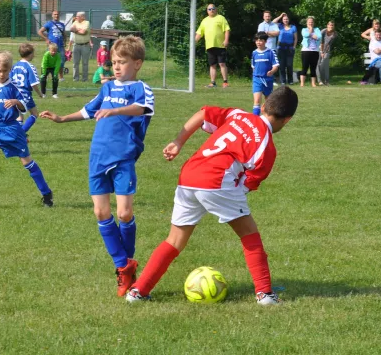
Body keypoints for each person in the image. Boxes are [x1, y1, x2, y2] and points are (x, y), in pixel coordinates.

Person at [125, 86, 299, 306]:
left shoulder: (238, 115)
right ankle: (265, 294)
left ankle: (138, 291)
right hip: (216, 180)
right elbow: (246, 184)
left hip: (189, 175)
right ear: (288, 119)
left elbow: (203, 114)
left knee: (174, 240)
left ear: (263, 106)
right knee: (249, 235)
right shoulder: (267, 148)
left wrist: (178, 142)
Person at [40, 36, 154, 297]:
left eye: (122, 62)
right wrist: (62, 118)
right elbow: (89, 110)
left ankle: (128, 261)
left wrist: (115, 111)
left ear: (137, 64)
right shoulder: (107, 88)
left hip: (123, 157)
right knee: (101, 213)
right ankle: (122, 268)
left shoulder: (140, 88)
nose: (116, 67)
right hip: (97, 157)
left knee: (124, 213)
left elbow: (142, 108)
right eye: (114, 62)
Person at [0, 50, 53, 209]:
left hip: (12, 131)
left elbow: (24, 108)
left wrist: (16, 101)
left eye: (5, 71)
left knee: (27, 163)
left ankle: (46, 193)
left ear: (10, 70)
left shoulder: (14, 87)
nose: (1, 74)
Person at [195, 3, 231, 88]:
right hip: (210, 46)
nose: (211, 10)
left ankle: (225, 82)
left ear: (216, 9)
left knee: (222, 63)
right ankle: (213, 83)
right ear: (207, 11)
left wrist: (226, 40)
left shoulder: (221, 18)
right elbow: (199, 33)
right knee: (212, 65)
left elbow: (227, 30)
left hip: (220, 45)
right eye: (209, 9)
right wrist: (194, 41)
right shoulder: (204, 20)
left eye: (213, 8)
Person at [10, 43, 43, 133]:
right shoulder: (30, 66)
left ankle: (17, 134)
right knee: (35, 114)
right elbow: (34, 84)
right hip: (25, 95)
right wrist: (40, 93)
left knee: (19, 116)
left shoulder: (15, 66)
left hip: (14, 94)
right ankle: (21, 134)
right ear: (31, 54)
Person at [251, 32, 279, 116]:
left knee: (268, 101)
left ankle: (268, 118)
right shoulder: (254, 53)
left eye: (261, 40)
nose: (258, 42)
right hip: (257, 79)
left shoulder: (271, 52)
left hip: (267, 80)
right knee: (256, 101)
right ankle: (255, 120)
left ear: (265, 41)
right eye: (257, 40)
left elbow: (276, 65)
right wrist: (255, 74)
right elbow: (253, 66)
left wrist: (272, 72)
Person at [37, 10, 67, 81]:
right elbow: (40, 32)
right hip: (52, 46)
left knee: (61, 61)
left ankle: (61, 77)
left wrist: (65, 41)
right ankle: (46, 76)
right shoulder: (49, 23)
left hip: (60, 45)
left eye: (57, 14)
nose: (56, 16)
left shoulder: (62, 24)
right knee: (48, 60)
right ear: (52, 15)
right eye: (55, 14)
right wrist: (46, 39)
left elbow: (64, 34)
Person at [272, 13, 297, 85]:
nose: (285, 20)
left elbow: (295, 38)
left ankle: (290, 80)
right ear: (282, 20)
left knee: (289, 65)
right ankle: (283, 80)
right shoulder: (279, 26)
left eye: (287, 19)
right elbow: (273, 22)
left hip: (290, 48)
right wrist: (280, 16)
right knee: (281, 65)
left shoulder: (293, 27)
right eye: (284, 19)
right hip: (280, 48)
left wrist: (294, 46)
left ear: (289, 20)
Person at [299, 16, 322, 87]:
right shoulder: (304, 29)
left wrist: (312, 35)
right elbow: (306, 35)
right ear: (307, 23)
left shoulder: (317, 29)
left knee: (313, 68)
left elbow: (319, 37)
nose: (310, 23)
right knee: (304, 67)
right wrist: (311, 31)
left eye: (312, 22)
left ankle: (313, 83)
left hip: (315, 51)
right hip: (306, 50)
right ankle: (302, 83)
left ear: (314, 23)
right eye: (309, 22)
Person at [70, 11, 92, 82]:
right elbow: (71, 29)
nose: (76, 17)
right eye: (76, 16)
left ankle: (84, 79)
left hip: (85, 45)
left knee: (85, 63)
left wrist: (76, 30)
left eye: (78, 16)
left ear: (83, 17)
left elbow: (84, 32)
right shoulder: (75, 22)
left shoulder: (87, 23)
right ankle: (75, 78)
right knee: (75, 63)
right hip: (76, 45)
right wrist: (79, 30)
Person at [317, 21, 338, 86]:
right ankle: (320, 81)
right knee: (318, 65)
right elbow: (321, 42)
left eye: (332, 25)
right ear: (327, 25)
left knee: (324, 65)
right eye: (330, 25)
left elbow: (329, 44)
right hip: (318, 49)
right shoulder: (323, 31)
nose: (331, 26)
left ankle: (326, 81)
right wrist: (321, 51)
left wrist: (325, 52)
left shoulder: (335, 34)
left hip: (327, 50)